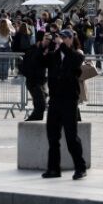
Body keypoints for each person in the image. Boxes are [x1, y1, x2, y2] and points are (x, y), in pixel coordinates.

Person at [42, 29, 87, 180]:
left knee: (71, 137)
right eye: (59, 37)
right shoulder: (53, 56)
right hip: (55, 99)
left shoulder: (77, 54)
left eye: (64, 37)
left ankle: (80, 167)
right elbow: (37, 62)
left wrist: (62, 47)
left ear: (70, 39)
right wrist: (43, 45)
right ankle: (53, 169)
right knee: (53, 137)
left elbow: (75, 61)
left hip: (69, 100)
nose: (60, 39)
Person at [20, 31, 50, 120]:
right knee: (41, 104)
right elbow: (29, 64)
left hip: (41, 81)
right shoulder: (32, 50)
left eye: (49, 39)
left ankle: (36, 118)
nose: (48, 41)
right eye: (46, 38)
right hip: (33, 81)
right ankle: (33, 119)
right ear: (40, 40)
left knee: (41, 104)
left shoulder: (46, 50)